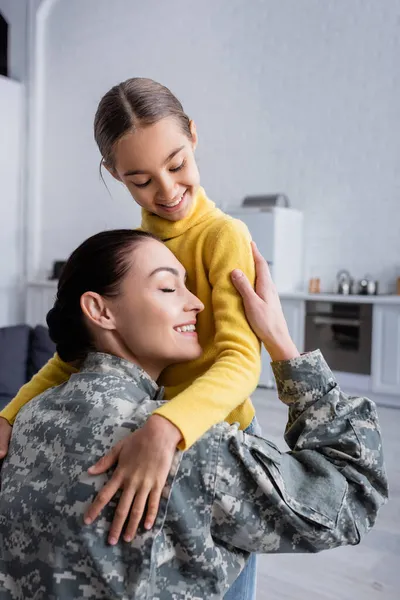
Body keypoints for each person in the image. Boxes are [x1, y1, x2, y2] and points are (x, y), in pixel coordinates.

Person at [0, 230, 387, 600]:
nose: (197, 303)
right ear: (100, 310)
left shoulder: (26, 421)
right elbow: (351, 500)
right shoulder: (183, 448)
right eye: (169, 288)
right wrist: (282, 344)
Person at [0, 78, 263, 599]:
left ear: (193, 135)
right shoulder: (141, 246)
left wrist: (167, 429)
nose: (165, 191)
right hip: (146, 433)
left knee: (224, 580)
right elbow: (75, 355)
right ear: (113, 174)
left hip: (210, 442)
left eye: (177, 164)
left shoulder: (223, 235)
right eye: (140, 180)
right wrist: (9, 417)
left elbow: (238, 359)